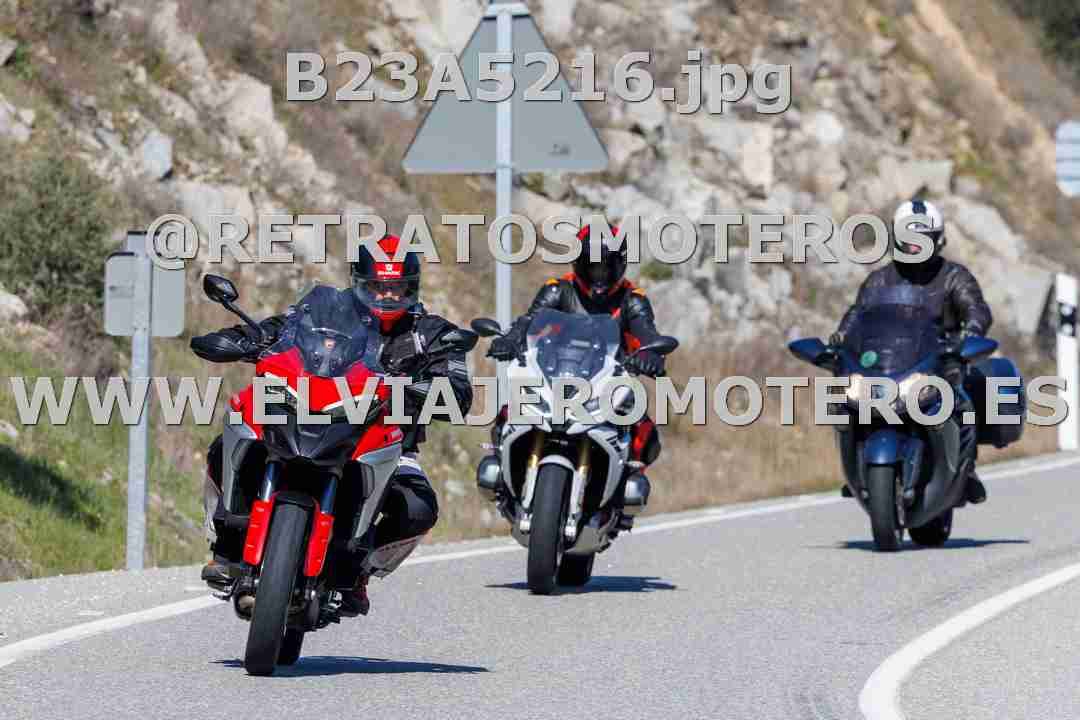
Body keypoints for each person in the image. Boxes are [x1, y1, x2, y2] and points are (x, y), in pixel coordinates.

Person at [191, 235, 473, 616]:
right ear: (359, 282)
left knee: (418, 506)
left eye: (397, 288)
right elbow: (277, 332)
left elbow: (458, 387)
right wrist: (239, 340)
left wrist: (432, 388)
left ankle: (357, 571)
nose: (387, 296)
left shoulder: (430, 332)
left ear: (412, 288)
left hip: (387, 440)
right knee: (230, 443)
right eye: (378, 287)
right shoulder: (325, 311)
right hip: (308, 414)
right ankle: (226, 547)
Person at [484, 223, 668, 510]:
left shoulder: (633, 299)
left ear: (619, 265)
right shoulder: (558, 290)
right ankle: (501, 463)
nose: (598, 275)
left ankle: (626, 485)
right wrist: (510, 339)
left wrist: (652, 354)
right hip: (555, 374)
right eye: (592, 267)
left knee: (644, 429)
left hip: (609, 380)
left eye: (605, 267)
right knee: (510, 409)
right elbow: (529, 320)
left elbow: (647, 332)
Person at [831, 199, 992, 504]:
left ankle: (966, 470)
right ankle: (855, 468)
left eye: (923, 237)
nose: (915, 244)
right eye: (909, 236)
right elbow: (858, 314)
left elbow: (976, 308)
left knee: (964, 406)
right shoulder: (880, 279)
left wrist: (970, 332)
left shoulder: (954, 276)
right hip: (887, 364)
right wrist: (841, 337)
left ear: (937, 239)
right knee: (844, 400)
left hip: (939, 362)